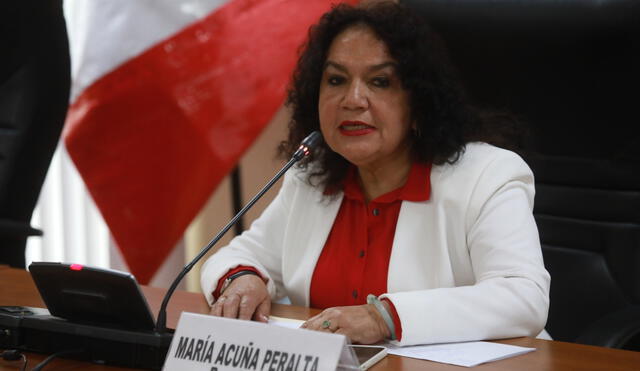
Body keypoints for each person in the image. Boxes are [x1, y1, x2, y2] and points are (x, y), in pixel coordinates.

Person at [200, 1, 550, 346]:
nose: (353, 99)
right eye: (336, 79)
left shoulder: (486, 175)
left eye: (380, 81)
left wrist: (383, 317)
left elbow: (522, 297)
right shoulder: (313, 177)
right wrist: (244, 281)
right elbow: (239, 257)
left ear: (419, 103)